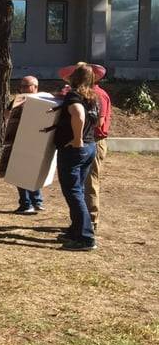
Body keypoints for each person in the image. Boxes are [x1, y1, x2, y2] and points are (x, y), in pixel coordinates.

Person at [49, 63, 99, 251]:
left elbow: (78, 114)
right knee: (77, 189)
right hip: (90, 146)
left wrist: (77, 139)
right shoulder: (93, 97)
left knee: (73, 192)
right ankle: (75, 230)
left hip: (75, 149)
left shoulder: (74, 96)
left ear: (75, 77)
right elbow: (95, 119)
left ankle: (85, 238)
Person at [61, 64, 111, 230]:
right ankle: (80, 224)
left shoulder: (98, 95)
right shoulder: (90, 95)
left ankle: (89, 223)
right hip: (89, 141)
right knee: (81, 186)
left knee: (89, 184)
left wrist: (78, 138)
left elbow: (98, 122)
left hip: (92, 141)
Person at [8, 75, 54, 214]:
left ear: (35, 87)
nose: (22, 89)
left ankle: (36, 201)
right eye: (21, 86)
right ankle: (26, 204)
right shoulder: (18, 100)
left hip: (36, 143)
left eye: (26, 86)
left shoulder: (45, 101)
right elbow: (7, 115)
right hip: (19, 142)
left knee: (33, 172)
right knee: (20, 173)